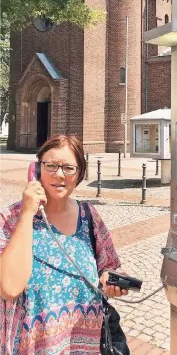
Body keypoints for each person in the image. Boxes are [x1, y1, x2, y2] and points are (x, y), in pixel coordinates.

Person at [0, 134, 128, 354]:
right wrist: (28, 214)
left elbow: (108, 265)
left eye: (69, 168)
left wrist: (109, 278)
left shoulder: (90, 216)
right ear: (36, 169)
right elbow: (9, 288)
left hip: (84, 346)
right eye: (50, 165)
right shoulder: (10, 219)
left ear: (79, 175)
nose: (59, 174)